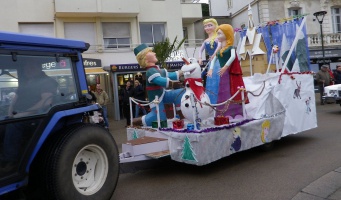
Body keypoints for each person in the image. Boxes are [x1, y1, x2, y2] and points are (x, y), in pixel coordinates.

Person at [1, 63, 58, 171]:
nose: (27, 69)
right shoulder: (25, 82)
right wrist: (10, 113)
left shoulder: (47, 81)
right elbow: (14, 99)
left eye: (31, 66)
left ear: (39, 67)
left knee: (13, 125)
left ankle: (11, 160)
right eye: (26, 66)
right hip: (18, 113)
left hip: (36, 116)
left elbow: (46, 102)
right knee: (4, 123)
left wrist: (22, 114)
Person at [133, 43, 184, 126]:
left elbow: (170, 75)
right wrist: (171, 83)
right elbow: (159, 80)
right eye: (151, 52)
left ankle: (180, 115)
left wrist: (183, 72)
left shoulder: (157, 69)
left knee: (179, 93)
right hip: (156, 99)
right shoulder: (150, 71)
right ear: (145, 58)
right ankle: (138, 121)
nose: (154, 53)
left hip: (163, 94)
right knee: (159, 118)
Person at [208, 24, 248, 118]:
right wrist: (211, 69)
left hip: (229, 73)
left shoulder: (231, 48)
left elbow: (233, 57)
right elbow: (214, 60)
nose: (217, 36)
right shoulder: (220, 50)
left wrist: (225, 67)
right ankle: (223, 113)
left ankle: (235, 113)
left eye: (219, 34)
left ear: (227, 34)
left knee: (230, 91)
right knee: (223, 92)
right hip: (222, 74)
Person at [198, 18, 221, 104]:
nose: (207, 28)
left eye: (210, 25)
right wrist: (200, 58)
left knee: (217, 77)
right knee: (210, 80)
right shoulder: (206, 41)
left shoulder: (218, 38)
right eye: (205, 26)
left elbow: (219, 47)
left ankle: (219, 99)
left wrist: (214, 54)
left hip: (218, 61)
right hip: (211, 61)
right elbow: (200, 50)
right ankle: (211, 100)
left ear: (215, 26)